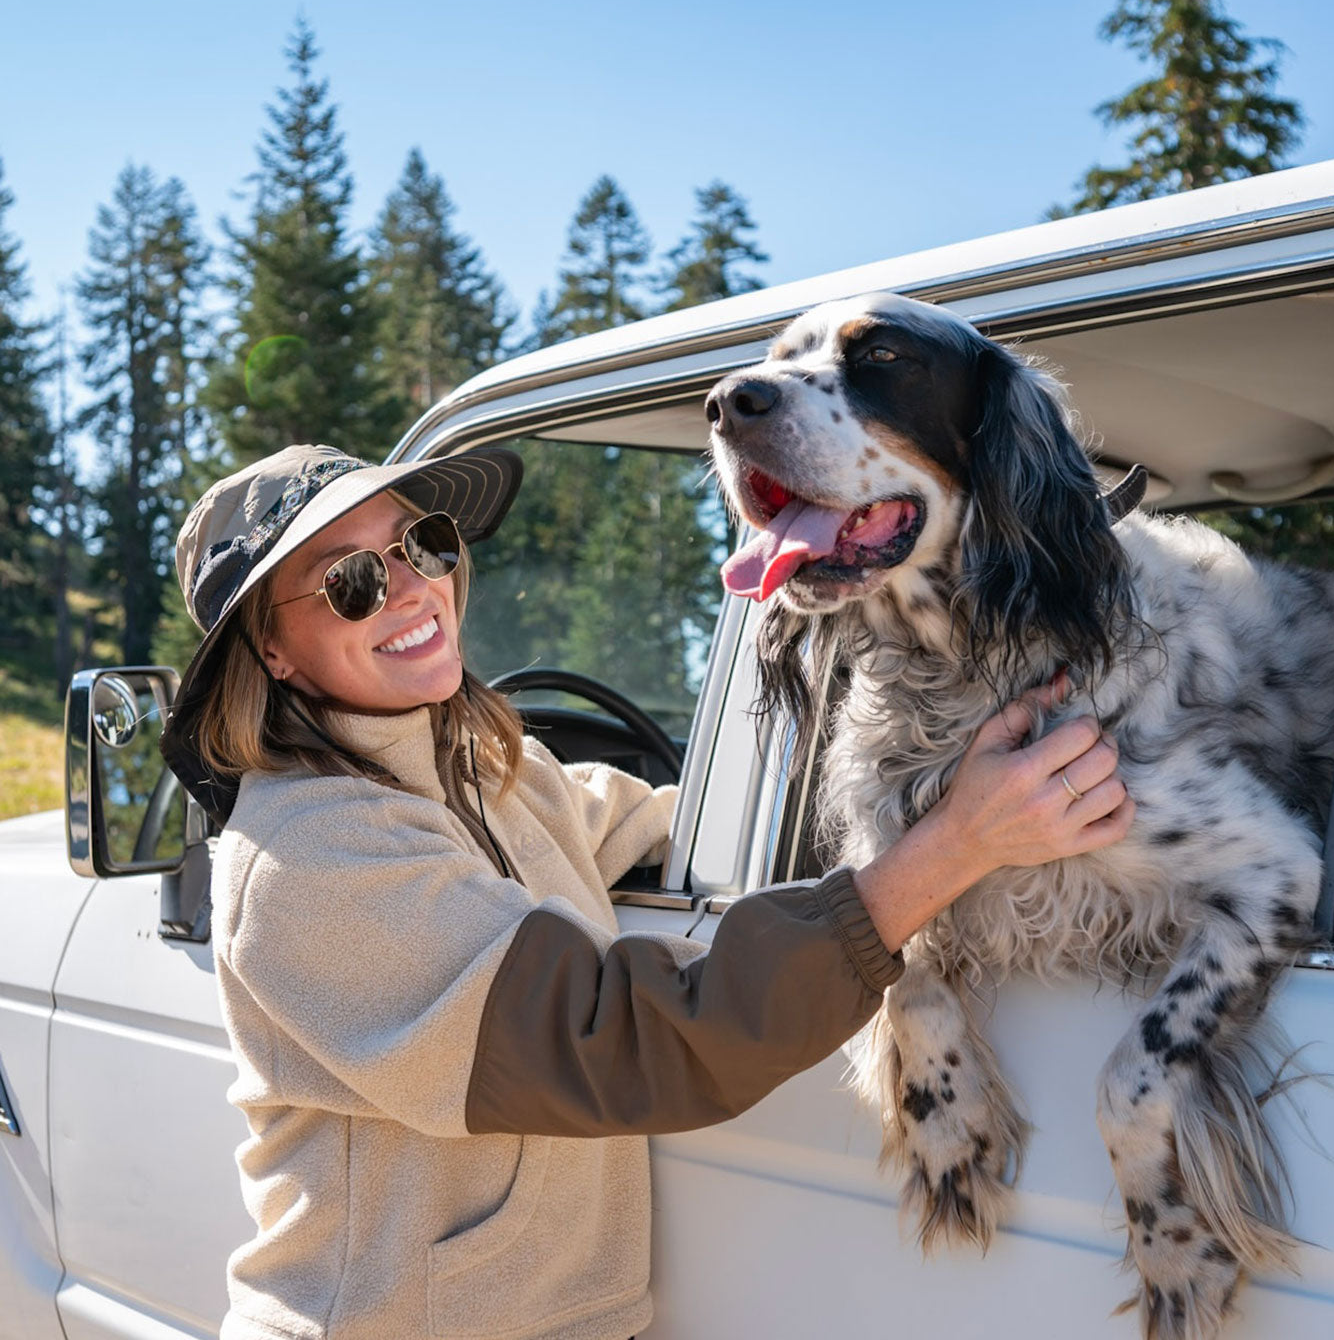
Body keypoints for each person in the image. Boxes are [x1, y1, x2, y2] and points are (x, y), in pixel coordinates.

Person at [159, 442, 1133, 1340]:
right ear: (271, 652)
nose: (414, 586)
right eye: (352, 581)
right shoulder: (306, 862)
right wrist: (952, 845)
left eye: (423, 539)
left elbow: (666, 814)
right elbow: (618, 1036)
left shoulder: (491, 771)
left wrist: (908, 776)